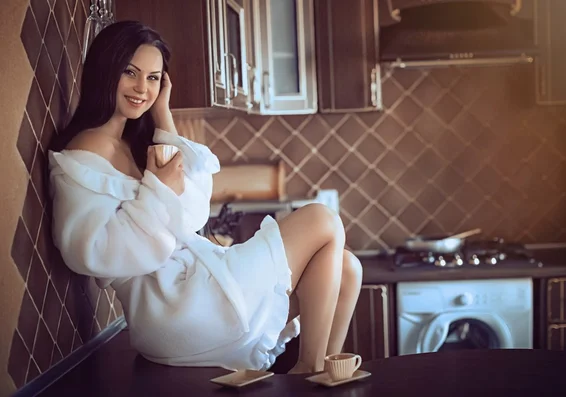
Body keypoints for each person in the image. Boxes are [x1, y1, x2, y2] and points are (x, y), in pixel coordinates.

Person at [48, 20, 362, 374]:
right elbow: (88, 252)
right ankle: (310, 370)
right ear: (105, 71)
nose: (142, 88)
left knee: (347, 268)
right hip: (172, 307)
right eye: (130, 73)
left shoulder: (132, 143)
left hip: (195, 292)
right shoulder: (84, 151)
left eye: (153, 78)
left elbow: (193, 213)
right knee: (322, 219)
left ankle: (322, 374)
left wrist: (163, 114)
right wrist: (158, 189)